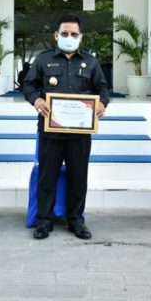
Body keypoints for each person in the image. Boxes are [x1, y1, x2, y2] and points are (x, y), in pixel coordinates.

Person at [23, 14, 109, 240]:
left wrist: (102, 103)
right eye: (64, 33)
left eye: (73, 34)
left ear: (81, 36)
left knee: (78, 177)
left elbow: (103, 88)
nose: (69, 37)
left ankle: (76, 220)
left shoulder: (91, 62)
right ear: (56, 35)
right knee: (47, 176)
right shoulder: (43, 60)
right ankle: (44, 220)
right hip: (50, 130)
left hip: (80, 132)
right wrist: (36, 100)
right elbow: (28, 85)